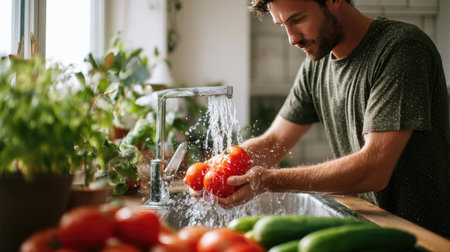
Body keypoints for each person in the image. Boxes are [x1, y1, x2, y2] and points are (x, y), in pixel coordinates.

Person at [190, 0, 450, 238]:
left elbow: (375, 169)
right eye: (283, 25)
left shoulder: (400, 48)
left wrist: (268, 181)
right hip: (370, 228)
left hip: (423, 237)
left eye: (298, 19)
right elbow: (275, 140)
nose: (292, 39)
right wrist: (219, 170)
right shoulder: (317, 65)